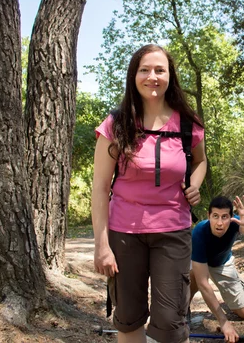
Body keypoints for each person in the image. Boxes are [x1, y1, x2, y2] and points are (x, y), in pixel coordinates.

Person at [91, 44, 207, 343]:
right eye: (144, 70)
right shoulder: (115, 125)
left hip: (173, 231)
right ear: (134, 76)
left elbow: (201, 161)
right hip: (124, 233)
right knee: (128, 318)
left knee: (170, 322)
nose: (152, 77)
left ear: (170, 76)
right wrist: (102, 245)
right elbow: (101, 188)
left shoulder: (187, 123)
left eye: (159, 70)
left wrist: (194, 184)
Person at [190, 195, 244, 343]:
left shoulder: (236, 222)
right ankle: (184, 309)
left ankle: (241, 287)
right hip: (200, 264)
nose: (220, 223)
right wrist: (223, 322)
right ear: (208, 216)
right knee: (195, 277)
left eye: (224, 217)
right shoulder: (198, 233)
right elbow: (204, 283)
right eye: (215, 216)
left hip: (223, 264)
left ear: (231, 217)